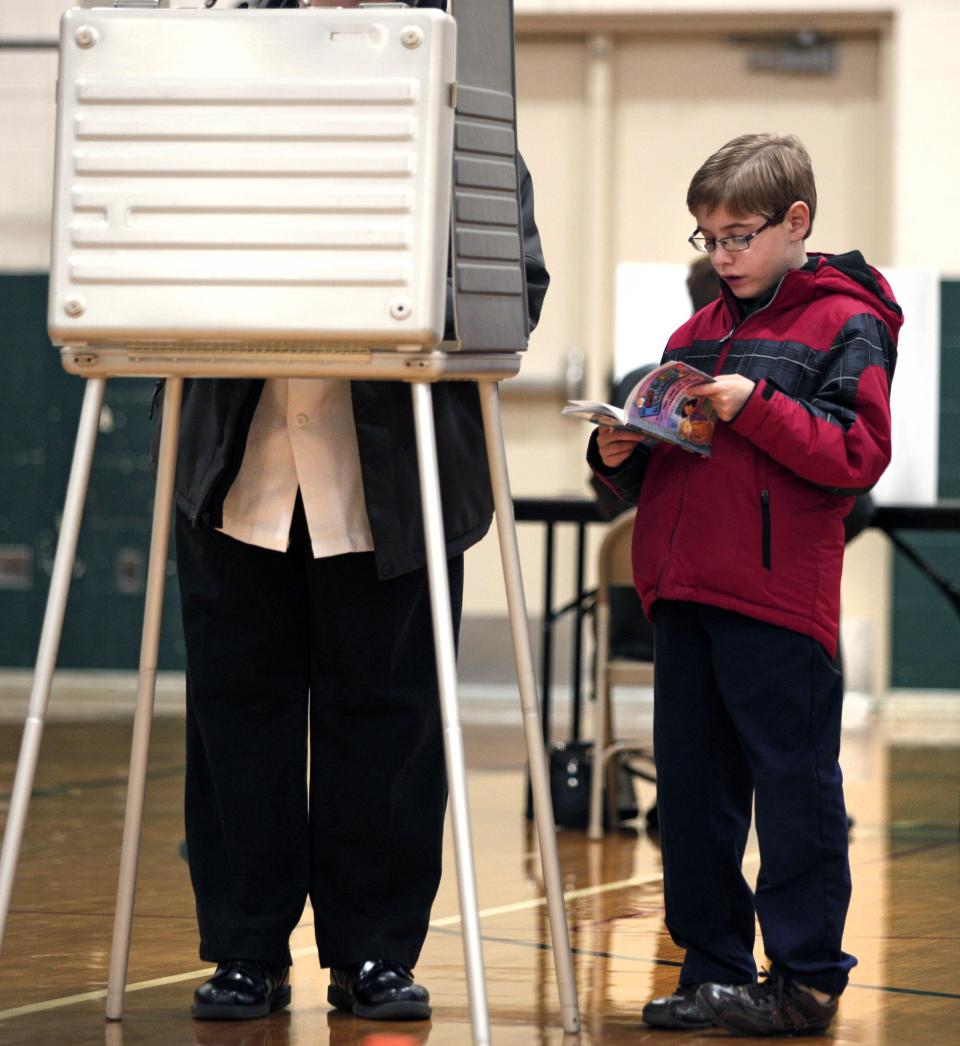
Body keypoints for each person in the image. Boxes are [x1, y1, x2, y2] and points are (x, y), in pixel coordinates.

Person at [154, 0, 549, 1024]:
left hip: (396, 484)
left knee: (392, 727)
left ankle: (373, 952)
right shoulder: (219, 118)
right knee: (236, 722)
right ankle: (248, 950)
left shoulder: (466, 119)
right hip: (238, 480)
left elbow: (519, 285)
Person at [588, 133, 901, 1036]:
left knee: (794, 791)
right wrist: (620, 452)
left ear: (796, 222)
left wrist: (752, 404)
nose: (722, 256)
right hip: (683, 590)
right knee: (691, 794)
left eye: (737, 236)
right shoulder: (695, 331)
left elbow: (856, 455)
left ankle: (803, 979)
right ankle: (712, 966)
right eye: (707, 239)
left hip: (777, 600)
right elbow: (671, 463)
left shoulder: (848, 322)